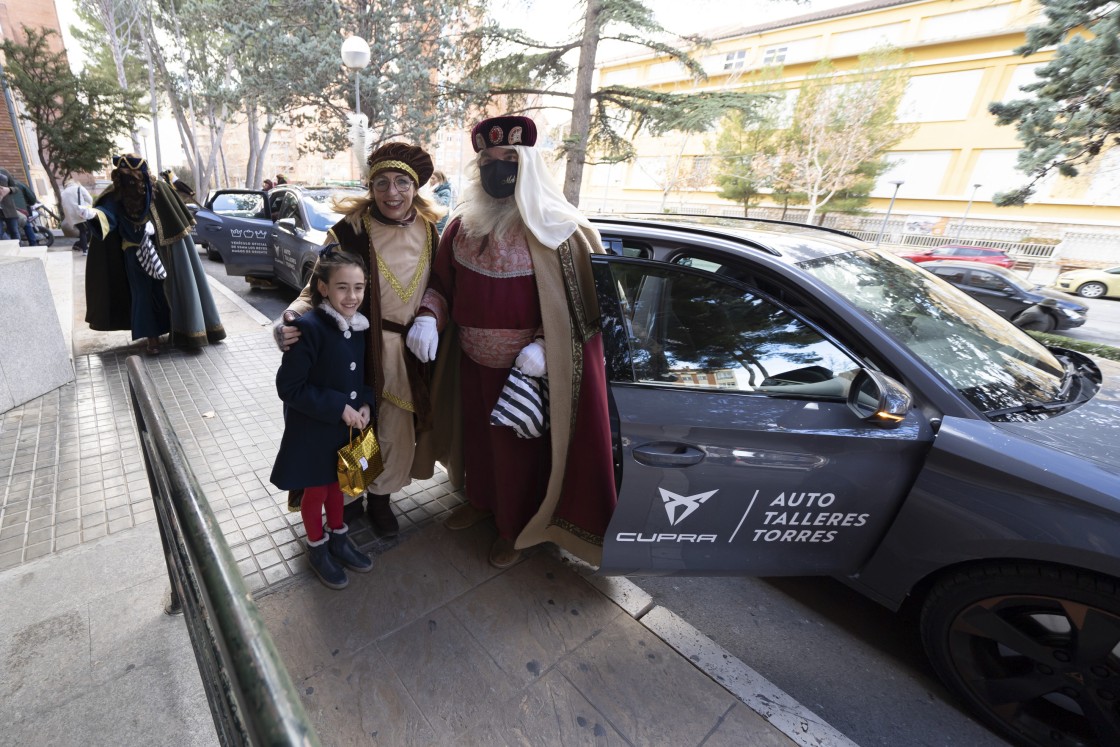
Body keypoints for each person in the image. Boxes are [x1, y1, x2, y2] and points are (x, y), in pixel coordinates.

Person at [406, 115, 618, 569]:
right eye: (487, 161)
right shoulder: (462, 225)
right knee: (478, 443)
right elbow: (443, 284)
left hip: (526, 371)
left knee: (517, 454)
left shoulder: (562, 230)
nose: (496, 170)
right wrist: (428, 315)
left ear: (528, 165)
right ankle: (482, 501)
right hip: (469, 361)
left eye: (508, 160)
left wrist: (545, 346)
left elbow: (582, 309)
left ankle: (517, 529)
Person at [274, 142, 444, 538]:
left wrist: (430, 318)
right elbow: (311, 291)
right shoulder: (347, 232)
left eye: (402, 181)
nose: (392, 192)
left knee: (396, 429)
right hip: (352, 348)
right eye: (381, 182)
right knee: (352, 428)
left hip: (408, 353)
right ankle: (347, 499)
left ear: (415, 186)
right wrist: (291, 318)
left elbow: (440, 286)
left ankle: (382, 500)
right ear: (370, 186)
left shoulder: (431, 231)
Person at [270, 247, 376, 589]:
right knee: (315, 492)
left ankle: (339, 537)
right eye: (342, 287)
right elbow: (289, 387)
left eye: (358, 287)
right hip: (313, 431)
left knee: (337, 487)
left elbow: (359, 379)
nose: (352, 296)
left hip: (342, 431)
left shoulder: (359, 325)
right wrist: (336, 407)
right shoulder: (309, 328)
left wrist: (366, 405)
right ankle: (317, 547)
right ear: (323, 288)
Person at [83, 154, 226, 353]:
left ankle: (181, 329)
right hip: (132, 252)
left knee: (168, 291)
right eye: (125, 176)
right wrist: (94, 215)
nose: (130, 181)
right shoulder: (116, 194)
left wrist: (156, 229)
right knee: (142, 294)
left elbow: (173, 217)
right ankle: (153, 339)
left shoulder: (160, 189)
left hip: (165, 251)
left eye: (133, 176)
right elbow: (109, 215)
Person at [61, 179, 93, 255]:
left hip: (71, 215)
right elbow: (90, 199)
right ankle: (84, 249)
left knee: (83, 231)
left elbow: (64, 205)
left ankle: (80, 246)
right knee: (88, 230)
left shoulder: (63, 192)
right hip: (82, 212)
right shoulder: (79, 188)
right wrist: (88, 207)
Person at [9, 178, 41, 246]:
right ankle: (33, 243)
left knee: (13, 228)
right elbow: (32, 198)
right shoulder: (20, 184)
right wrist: (29, 203)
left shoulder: (3, 186)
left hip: (8, 211)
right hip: (22, 210)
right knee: (27, 226)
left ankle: (17, 245)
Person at [0, 170, 21, 243]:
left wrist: (9, 189)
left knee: (14, 232)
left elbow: (16, 188)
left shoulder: (4, 172)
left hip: (9, 208)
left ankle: (18, 251)